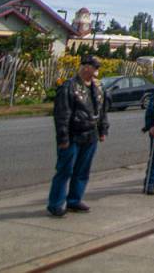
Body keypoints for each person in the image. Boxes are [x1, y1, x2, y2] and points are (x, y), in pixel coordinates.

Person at [47, 54, 108, 217]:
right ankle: (56, 203)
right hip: (73, 135)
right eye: (95, 66)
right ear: (85, 66)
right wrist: (63, 138)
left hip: (90, 135)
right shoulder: (69, 86)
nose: (97, 70)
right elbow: (62, 115)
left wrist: (102, 130)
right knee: (65, 170)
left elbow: (102, 111)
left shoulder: (98, 87)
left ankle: (74, 200)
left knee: (82, 171)